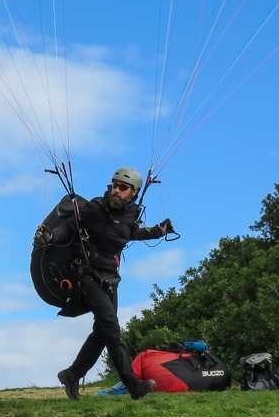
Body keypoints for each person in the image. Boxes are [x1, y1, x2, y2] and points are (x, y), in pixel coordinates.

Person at [34, 167, 175, 401]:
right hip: (86, 275)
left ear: (134, 192)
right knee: (112, 329)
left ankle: (72, 374)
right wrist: (51, 237)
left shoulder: (131, 213)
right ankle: (132, 385)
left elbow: (132, 233)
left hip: (110, 279)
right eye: (115, 185)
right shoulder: (95, 208)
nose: (116, 191)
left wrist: (159, 231)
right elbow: (68, 228)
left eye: (123, 187)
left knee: (101, 332)